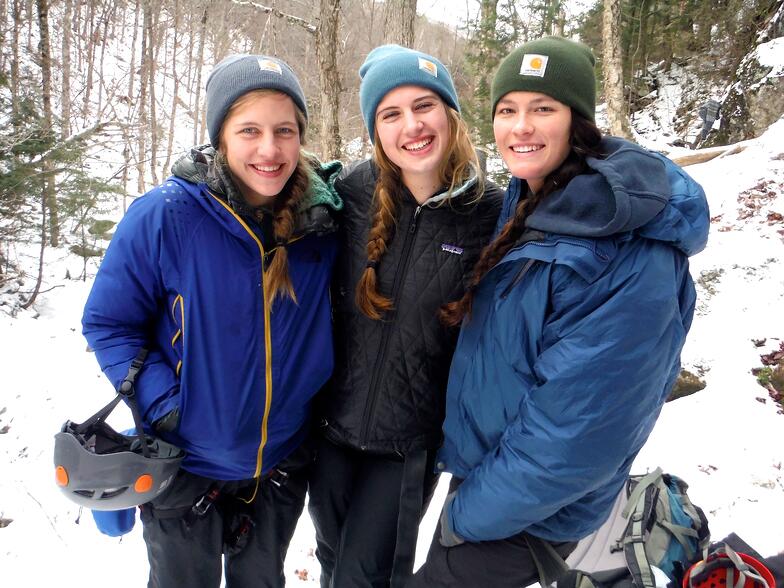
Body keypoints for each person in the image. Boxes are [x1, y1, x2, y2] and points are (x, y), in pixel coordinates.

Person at [408, 36, 710, 588]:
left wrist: (469, 514)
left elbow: (579, 430)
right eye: (507, 110)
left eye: (542, 109)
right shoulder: (539, 198)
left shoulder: (628, 247)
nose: (521, 127)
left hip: (530, 512)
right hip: (494, 481)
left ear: (578, 121)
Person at [81, 54, 343, 588]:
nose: (269, 149)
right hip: (184, 466)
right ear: (219, 136)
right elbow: (109, 322)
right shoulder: (167, 214)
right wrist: (167, 407)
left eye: (284, 130)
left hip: (279, 465)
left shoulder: (322, 223)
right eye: (249, 130)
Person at [306, 45, 504, 588]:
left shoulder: (490, 212)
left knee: (364, 578)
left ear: (450, 114)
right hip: (331, 430)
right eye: (391, 114)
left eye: (424, 106)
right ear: (376, 130)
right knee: (331, 561)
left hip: (407, 445)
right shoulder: (349, 194)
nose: (411, 126)